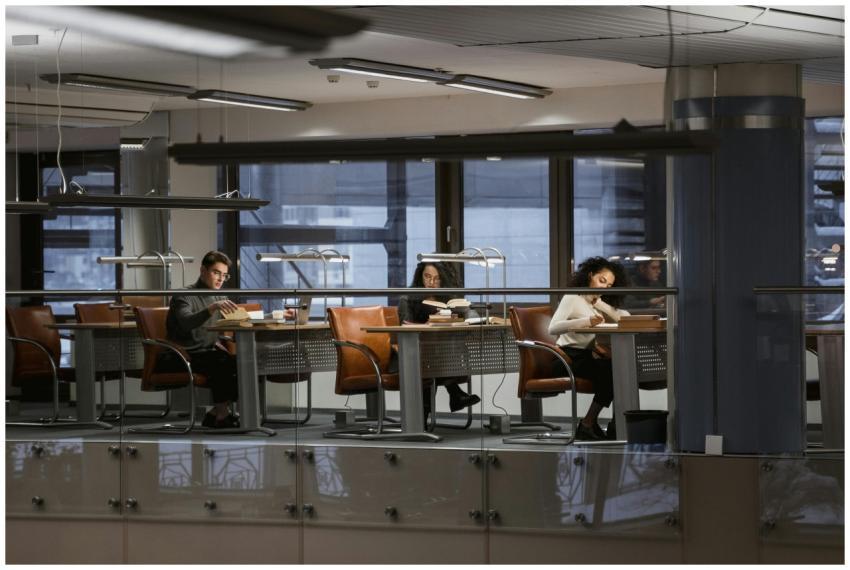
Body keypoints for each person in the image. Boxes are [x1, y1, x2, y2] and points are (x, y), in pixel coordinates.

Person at [158, 251, 257, 428]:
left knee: (243, 363)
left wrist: (277, 316)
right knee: (222, 363)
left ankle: (216, 413)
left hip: (206, 354)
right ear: (203, 270)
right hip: (180, 356)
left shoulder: (219, 297)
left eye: (224, 275)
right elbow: (187, 323)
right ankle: (221, 415)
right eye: (216, 273)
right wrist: (211, 309)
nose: (220, 279)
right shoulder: (183, 295)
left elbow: (239, 319)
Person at [548, 256, 630, 441]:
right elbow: (552, 328)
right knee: (612, 372)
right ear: (590, 275)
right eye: (602, 280)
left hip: (584, 357)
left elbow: (625, 317)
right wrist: (586, 321)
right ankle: (587, 424)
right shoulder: (573, 297)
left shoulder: (594, 303)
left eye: (609, 285)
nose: (604, 287)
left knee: (619, 370)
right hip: (566, 358)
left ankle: (613, 425)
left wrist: (600, 304)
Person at [397, 261, 481, 412]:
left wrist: (470, 319)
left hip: (438, 354)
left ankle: (429, 412)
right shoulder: (408, 299)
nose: (431, 282)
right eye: (427, 277)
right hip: (414, 352)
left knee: (435, 359)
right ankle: (455, 394)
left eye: (436, 279)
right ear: (420, 277)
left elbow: (469, 310)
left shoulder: (446, 299)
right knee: (430, 362)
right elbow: (405, 326)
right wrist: (428, 324)